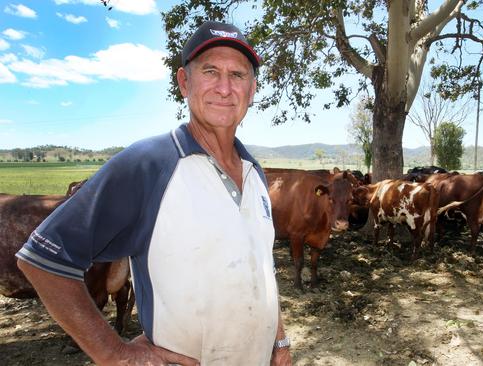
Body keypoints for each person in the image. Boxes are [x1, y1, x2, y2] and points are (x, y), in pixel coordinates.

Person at [16, 21, 292, 365]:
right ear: (183, 83)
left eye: (237, 75)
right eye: (210, 71)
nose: (224, 88)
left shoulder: (254, 173)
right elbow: (44, 259)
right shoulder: (150, 164)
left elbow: (261, 265)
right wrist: (115, 353)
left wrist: (279, 338)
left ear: (251, 91)